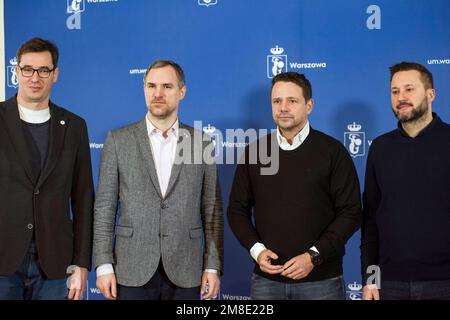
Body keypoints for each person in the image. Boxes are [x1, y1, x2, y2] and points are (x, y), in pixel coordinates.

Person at [93, 59, 223, 300]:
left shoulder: (201, 142)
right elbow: (104, 207)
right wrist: (103, 265)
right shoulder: (118, 140)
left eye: (167, 86)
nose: (158, 93)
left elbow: (212, 210)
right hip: (131, 268)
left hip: (187, 268)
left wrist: (212, 266)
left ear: (182, 91)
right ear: (144, 89)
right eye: (151, 86)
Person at [227, 71, 362, 300]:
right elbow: (236, 210)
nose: (283, 107)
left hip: (322, 282)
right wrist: (257, 252)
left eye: (292, 100)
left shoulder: (332, 152)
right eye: (277, 101)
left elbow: (351, 213)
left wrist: (313, 256)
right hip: (266, 282)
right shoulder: (255, 152)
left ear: (309, 106)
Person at [0, 38, 94, 300]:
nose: (35, 77)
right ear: (16, 71)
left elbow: (83, 198)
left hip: (55, 263)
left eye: (44, 70)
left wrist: (82, 263)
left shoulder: (75, 126)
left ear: (55, 74)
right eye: (28, 69)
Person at [361, 62, 450, 300]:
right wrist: (370, 280)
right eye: (395, 91)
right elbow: (370, 219)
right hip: (389, 285)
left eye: (409, 89)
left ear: (431, 94)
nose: (401, 97)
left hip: (444, 283)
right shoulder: (380, 148)